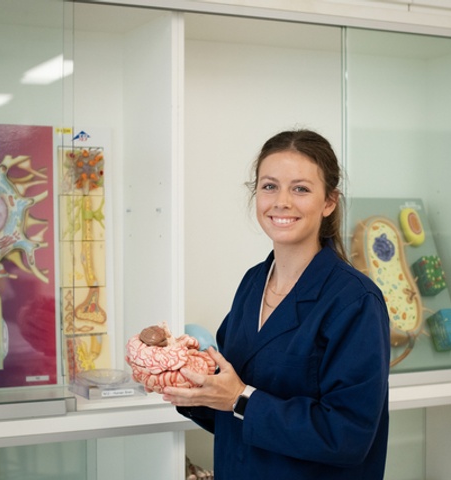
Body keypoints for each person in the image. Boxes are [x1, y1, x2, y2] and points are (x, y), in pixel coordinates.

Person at [163, 129, 390, 479]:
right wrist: (184, 382)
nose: (281, 201)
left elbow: (348, 436)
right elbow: (231, 407)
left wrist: (240, 399)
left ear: (329, 202)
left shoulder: (355, 301)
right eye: (269, 186)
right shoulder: (254, 283)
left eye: (300, 188)